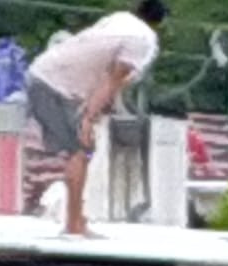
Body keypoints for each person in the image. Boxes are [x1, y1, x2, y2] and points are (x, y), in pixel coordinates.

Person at [25, 0, 165, 236]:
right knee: (82, 150)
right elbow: (113, 80)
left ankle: (76, 219)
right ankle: (74, 224)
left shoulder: (119, 19)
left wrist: (91, 108)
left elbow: (96, 62)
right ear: (158, 23)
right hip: (54, 85)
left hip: (45, 74)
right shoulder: (144, 40)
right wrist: (89, 117)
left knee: (82, 150)